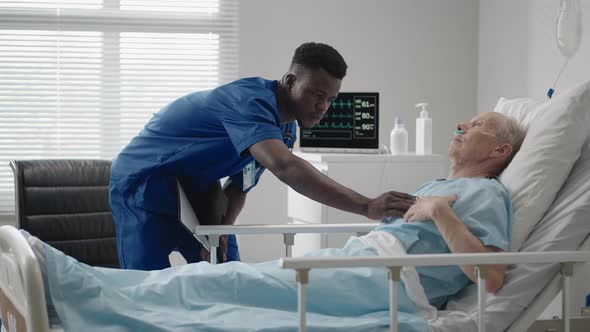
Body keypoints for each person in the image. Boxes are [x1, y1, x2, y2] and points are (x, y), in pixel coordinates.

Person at [25, 111, 525, 331]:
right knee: (212, 280)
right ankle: (67, 288)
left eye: (477, 125)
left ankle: (65, 289)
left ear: (500, 150)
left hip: (384, 284)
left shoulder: (485, 195)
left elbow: (492, 277)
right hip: (361, 264)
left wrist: (438, 211)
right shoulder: (438, 183)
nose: (462, 128)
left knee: (220, 285)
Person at [109, 42, 416, 270]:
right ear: (291, 81)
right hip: (143, 180)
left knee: (228, 272)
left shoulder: (284, 130)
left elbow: (239, 186)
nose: (324, 107)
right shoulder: (249, 101)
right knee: (146, 287)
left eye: (331, 99)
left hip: (195, 186)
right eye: (317, 95)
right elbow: (286, 167)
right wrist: (366, 205)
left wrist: (224, 230)